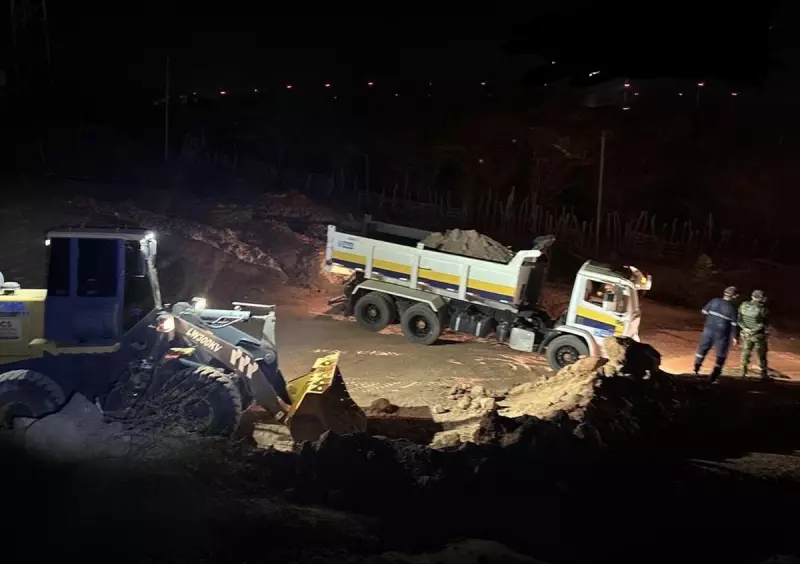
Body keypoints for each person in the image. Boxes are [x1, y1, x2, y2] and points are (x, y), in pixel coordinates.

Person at [694, 286, 739, 383]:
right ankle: (714, 377)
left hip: (708, 330)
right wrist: (735, 336)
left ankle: (696, 369)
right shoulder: (733, 308)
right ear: (734, 296)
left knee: (702, 349)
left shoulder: (714, 301)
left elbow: (704, 312)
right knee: (721, 355)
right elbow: (734, 325)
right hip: (722, 334)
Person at [739, 289, 770, 380]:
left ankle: (743, 372)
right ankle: (763, 374)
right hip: (758, 335)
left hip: (746, 334)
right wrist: (753, 331)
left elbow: (739, 319)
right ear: (760, 298)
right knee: (761, 354)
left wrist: (745, 329)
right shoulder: (763, 309)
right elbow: (763, 324)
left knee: (745, 352)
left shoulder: (743, 305)